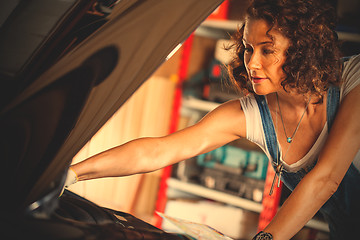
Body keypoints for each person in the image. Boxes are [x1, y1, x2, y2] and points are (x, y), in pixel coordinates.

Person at [65, 0, 360, 239]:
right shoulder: (252, 113)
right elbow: (159, 150)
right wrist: (70, 174)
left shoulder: (353, 80)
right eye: (248, 48)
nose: (252, 62)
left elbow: (327, 180)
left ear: (303, 50)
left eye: (267, 50)